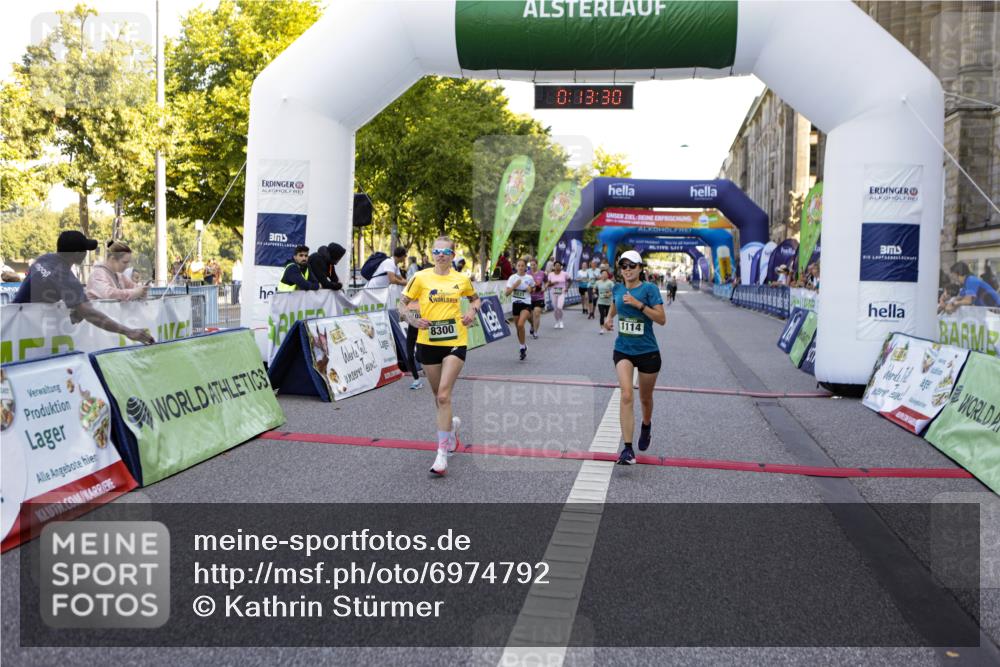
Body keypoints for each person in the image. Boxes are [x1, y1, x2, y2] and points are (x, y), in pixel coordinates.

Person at [398, 236, 482, 476]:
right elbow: (402, 305)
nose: (441, 255)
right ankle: (452, 426)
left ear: (453, 255)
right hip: (428, 342)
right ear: (431, 253)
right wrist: (412, 319)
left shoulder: (462, 278)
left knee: (444, 396)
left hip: (455, 341)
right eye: (436, 251)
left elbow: (475, 299)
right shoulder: (420, 277)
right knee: (438, 397)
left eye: (446, 251)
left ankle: (441, 454)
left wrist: (472, 312)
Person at [13, 231, 154, 344]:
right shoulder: (66, 278)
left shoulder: (44, 258)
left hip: (12, 319)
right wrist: (128, 332)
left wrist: (75, 312)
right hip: (24, 330)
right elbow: (90, 314)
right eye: (85, 249)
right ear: (77, 254)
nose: (87, 252)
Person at [601, 250, 666, 465]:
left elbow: (661, 319)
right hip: (623, 350)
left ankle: (646, 425)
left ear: (640, 268)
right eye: (623, 266)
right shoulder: (618, 288)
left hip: (648, 351)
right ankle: (627, 450)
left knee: (645, 399)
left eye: (632, 266)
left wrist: (639, 305)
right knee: (626, 394)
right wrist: (609, 319)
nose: (627, 270)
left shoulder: (649, 289)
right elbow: (615, 305)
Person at [505, 258, 536, 361]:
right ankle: (523, 346)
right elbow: (506, 293)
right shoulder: (512, 278)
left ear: (525, 267)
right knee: (518, 329)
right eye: (519, 265)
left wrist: (530, 289)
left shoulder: (529, 277)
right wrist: (514, 286)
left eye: (522, 265)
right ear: (516, 266)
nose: (521, 267)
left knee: (520, 324)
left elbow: (533, 288)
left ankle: (522, 349)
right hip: (516, 304)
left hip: (526, 304)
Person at [528, 258, 547, 339]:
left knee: (536, 313)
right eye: (531, 265)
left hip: (539, 297)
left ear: (537, 264)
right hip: (529, 298)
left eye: (534, 265)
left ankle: (535, 332)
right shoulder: (527, 273)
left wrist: (544, 287)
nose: (532, 266)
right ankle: (532, 324)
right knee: (529, 316)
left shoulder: (542, 273)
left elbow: (547, 281)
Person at [546, 260, 569, 328]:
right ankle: (557, 322)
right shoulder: (550, 274)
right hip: (553, 292)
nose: (557, 267)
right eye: (556, 265)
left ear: (561, 266)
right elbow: (548, 284)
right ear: (554, 266)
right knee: (555, 309)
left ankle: (561, 321)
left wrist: (567, 287)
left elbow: (570, 280)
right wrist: (553, 283)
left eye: (559, 265)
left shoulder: (564, 274)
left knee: (560, 307)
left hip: (562, 291)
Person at [593, 268, 615, 334]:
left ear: (608, 275)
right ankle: (602, 328)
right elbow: (594, 288)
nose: (604, 275)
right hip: (601, 301)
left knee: (608, 315)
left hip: (609, 302)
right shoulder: (598, 282)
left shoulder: (610, 282)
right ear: (601, 275)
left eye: (605, 274)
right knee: (602, 315)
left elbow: (614, 290)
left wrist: (609, 294)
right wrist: (594, 293)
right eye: (603, 274)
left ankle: (609, 326)